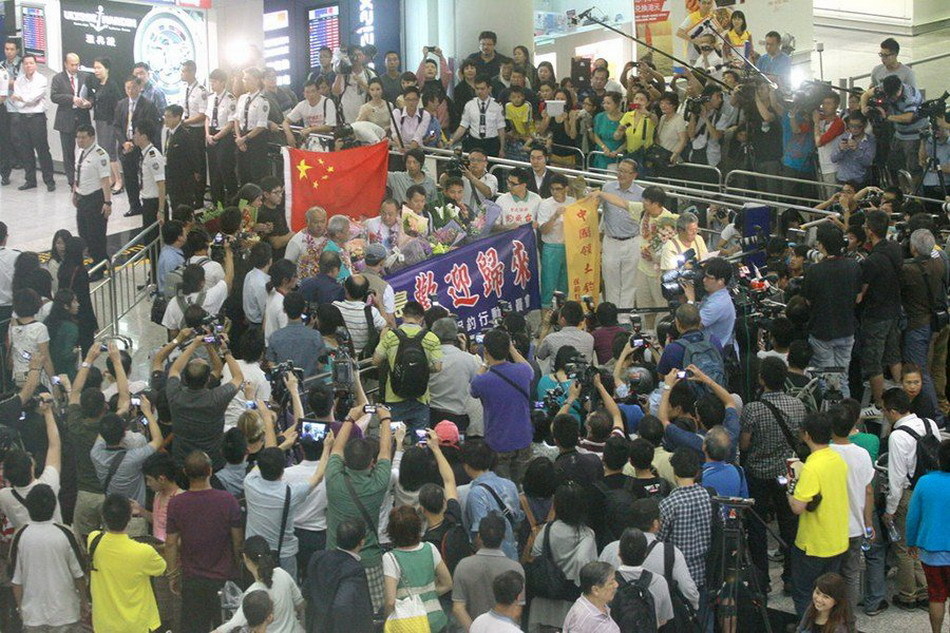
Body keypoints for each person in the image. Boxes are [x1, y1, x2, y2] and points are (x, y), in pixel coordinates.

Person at [324, 405, 395, 614]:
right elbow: (385, 451)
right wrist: (385, 419)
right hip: (369, 560)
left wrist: (349, 418)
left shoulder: (333, 477)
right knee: (372, 613)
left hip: (333, 556)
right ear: (371, 463)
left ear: (345, 461)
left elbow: (335, 449)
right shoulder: (378, 484)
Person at [165, 450, 244, 633]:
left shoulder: (177, 503)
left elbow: (170, 543)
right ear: (210, 470)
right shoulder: (228, 500)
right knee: (225, 626)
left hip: (192, 579)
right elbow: (237, 541)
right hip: (224, 579)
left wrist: (172, 575)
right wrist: (237, 565)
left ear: (185, 472)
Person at [881, 387, 941, 609]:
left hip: (910, 494)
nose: (884, 414)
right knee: (923, 544)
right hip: (931, 491)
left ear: (894, 411)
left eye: (885, 410)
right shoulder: (929, 424)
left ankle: (908, 595)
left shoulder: (897, 436)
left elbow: (896, 479)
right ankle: (926, 591)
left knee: (904, 548)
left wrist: (890, 510)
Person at [787, 413, 850, 618]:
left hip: (813, 543)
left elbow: (798, 507)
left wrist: (789, 487)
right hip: (837, 539)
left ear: (806, 435)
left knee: (807, 594)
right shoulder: (837, 459)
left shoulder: (812, 466)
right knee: (829, 596)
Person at [245, 439, 331, 579]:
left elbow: (260, 465)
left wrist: (283, 445)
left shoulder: (249, 482)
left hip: (254, 550)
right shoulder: (290, 493)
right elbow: (318, 476)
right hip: (282, 554)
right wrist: (327, 447)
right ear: (282, 471)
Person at [88, 494, 167, 633]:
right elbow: (161, 567)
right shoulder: (143, 552)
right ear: (129, 517)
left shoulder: (94, 540)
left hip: (104, 625)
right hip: (137, 625)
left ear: (104, 516)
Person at [801, 224, 863, 397]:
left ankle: (833, 418)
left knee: (828, 380)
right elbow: (858, 297)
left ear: (820, 245)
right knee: (842, 378)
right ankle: (846, 418)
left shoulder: (814, 271)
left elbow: (808, 300)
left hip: (822, 331)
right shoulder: (854, 266)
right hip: (847, 330)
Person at [166, 330, 243, 469]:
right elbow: (238, 378)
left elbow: (174, 370)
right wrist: (225, 351)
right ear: (209, 379)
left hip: (181, 461)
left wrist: (194, 345)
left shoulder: (175, 396)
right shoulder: (217, 398)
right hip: (212, 461)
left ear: (185, 378)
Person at [527, 483, 597, 631]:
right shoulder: (587, 534)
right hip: (571, 599)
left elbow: (535, 554)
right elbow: (586, 562)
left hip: (544, 598)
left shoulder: (547, 529)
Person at [826, 404, 875, 613]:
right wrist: (868, 525)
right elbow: (869, 491)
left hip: (830, 527)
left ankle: (829, 620)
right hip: (855, 527)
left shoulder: (824, 453)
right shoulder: (863, 454)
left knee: (828, 578)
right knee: (851, 575)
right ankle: (848, 620)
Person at [470, 329, 534, 483]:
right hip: (524, 437)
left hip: (497, 442)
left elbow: (473, 387)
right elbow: (529, 368)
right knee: (523, 486)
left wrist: (485, 363)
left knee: (502, 490)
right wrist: (510, 348)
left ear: (485, 350)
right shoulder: (523, 371)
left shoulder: (482, 381)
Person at [213, 535, 304, 633]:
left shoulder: (253, 594)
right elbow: (300, 603)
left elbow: (234, 624)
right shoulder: (282, 574)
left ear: (245, 557)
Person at [451, 512, 524, 629]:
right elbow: (518, 609)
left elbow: (458, 608)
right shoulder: (515, 568)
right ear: (504, 536)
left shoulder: (463, 566)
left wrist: (476, 629)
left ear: (479, 536)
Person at [0, 393, 61, 529]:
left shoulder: (4, 497)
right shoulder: (49, 484)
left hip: (25, 543)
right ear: (32, 467)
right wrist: (48, 411)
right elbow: (54, 445)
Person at [304, 518, 374, 633]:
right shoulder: (354, 571)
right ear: (362, 542)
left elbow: (307, 589)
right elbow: (342, 605)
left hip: (315, 624)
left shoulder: (318, 557)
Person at [658, 448, 711, 594]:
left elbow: (659, 541)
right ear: (697, 472)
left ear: (674, 472)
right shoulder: (710, 497)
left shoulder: (668, 504)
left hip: (678, 576)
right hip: (707, 571)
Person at [114, 76, 160, 217]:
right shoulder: (121, 104)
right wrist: (124, 142)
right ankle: (134, 206)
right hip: (125, 145)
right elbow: (116, 126)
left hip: (141, 145)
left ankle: (148, 203)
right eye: (128, 88)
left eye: (133, 87)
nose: (130, 90)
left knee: (145, 175)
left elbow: (150, 127)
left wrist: (134, 143)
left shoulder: (148, 104)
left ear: (140, 87)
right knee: (129, 177)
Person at [10, 54, 55, 191]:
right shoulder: (19, 80)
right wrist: (25, 100)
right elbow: (16, 102)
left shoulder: (41, 79)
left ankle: (49, 181)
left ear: (35, 64)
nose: (28, 66)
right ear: (23, 66)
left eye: (31, 63)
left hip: (37, 118)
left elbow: (33, 98)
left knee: (42, 150)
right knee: (26, 150)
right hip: (22, 118)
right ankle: (30, 180)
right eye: (26, 63)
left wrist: (22, 99)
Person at [51, 52, 92, 189]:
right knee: (68, 151)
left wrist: (88, 103)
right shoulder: (58, 78)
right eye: (72, 65)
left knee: (86, 148)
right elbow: (54, 96)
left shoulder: (85, 76)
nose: (75, 67)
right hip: (66, 118)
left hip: (82, 116)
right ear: (66, 64)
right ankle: (71, 181)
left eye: (77, 64)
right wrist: (72, 99)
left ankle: (85, 177)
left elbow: (92, 96)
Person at [537, 174, 574, 308]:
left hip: (569, 247)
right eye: (552, 189)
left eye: (558, 189)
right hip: (551, 247)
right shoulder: (545, 204)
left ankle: (562, 317)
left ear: (566, 188)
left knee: (565, 285)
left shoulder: (573, 202)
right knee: (548, 284)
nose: (555, 192)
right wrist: (555, 216)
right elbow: (544, 230)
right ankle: (545, 321)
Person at [448, 75, 506, 157]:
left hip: (491, 143)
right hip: (474, 142)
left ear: (489, 89)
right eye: (477, 88)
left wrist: (502, 148)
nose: (479, 91)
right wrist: (452, 140)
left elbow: (501, 128)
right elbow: (463, 126)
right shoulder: (469, 105)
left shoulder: (497, 106)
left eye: (482, 89)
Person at [232, 68, 270, 186]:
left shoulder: (262, 101)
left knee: (256, 175)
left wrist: (245, 138)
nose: (245, 82)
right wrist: (239, 138)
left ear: (257, 80)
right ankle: (244, 203)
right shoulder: (242, 98)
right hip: (241, 137)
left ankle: (258, 203)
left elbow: (261, 125)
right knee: (243, 174)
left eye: (248, 79)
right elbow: (237, 119)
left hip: (255, 139)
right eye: (244, 79)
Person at [561, 561, 622, 632]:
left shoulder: (599, 605)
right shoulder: (582, 621)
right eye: (611, 583)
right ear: (595, 590)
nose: (616, 585)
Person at [537, 300, 595, 366]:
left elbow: (539, 355)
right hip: (583, 375)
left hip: (559, 375)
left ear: (562, 320)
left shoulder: (550, 338)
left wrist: (546, 327)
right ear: (581, 320)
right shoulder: (590, 338)